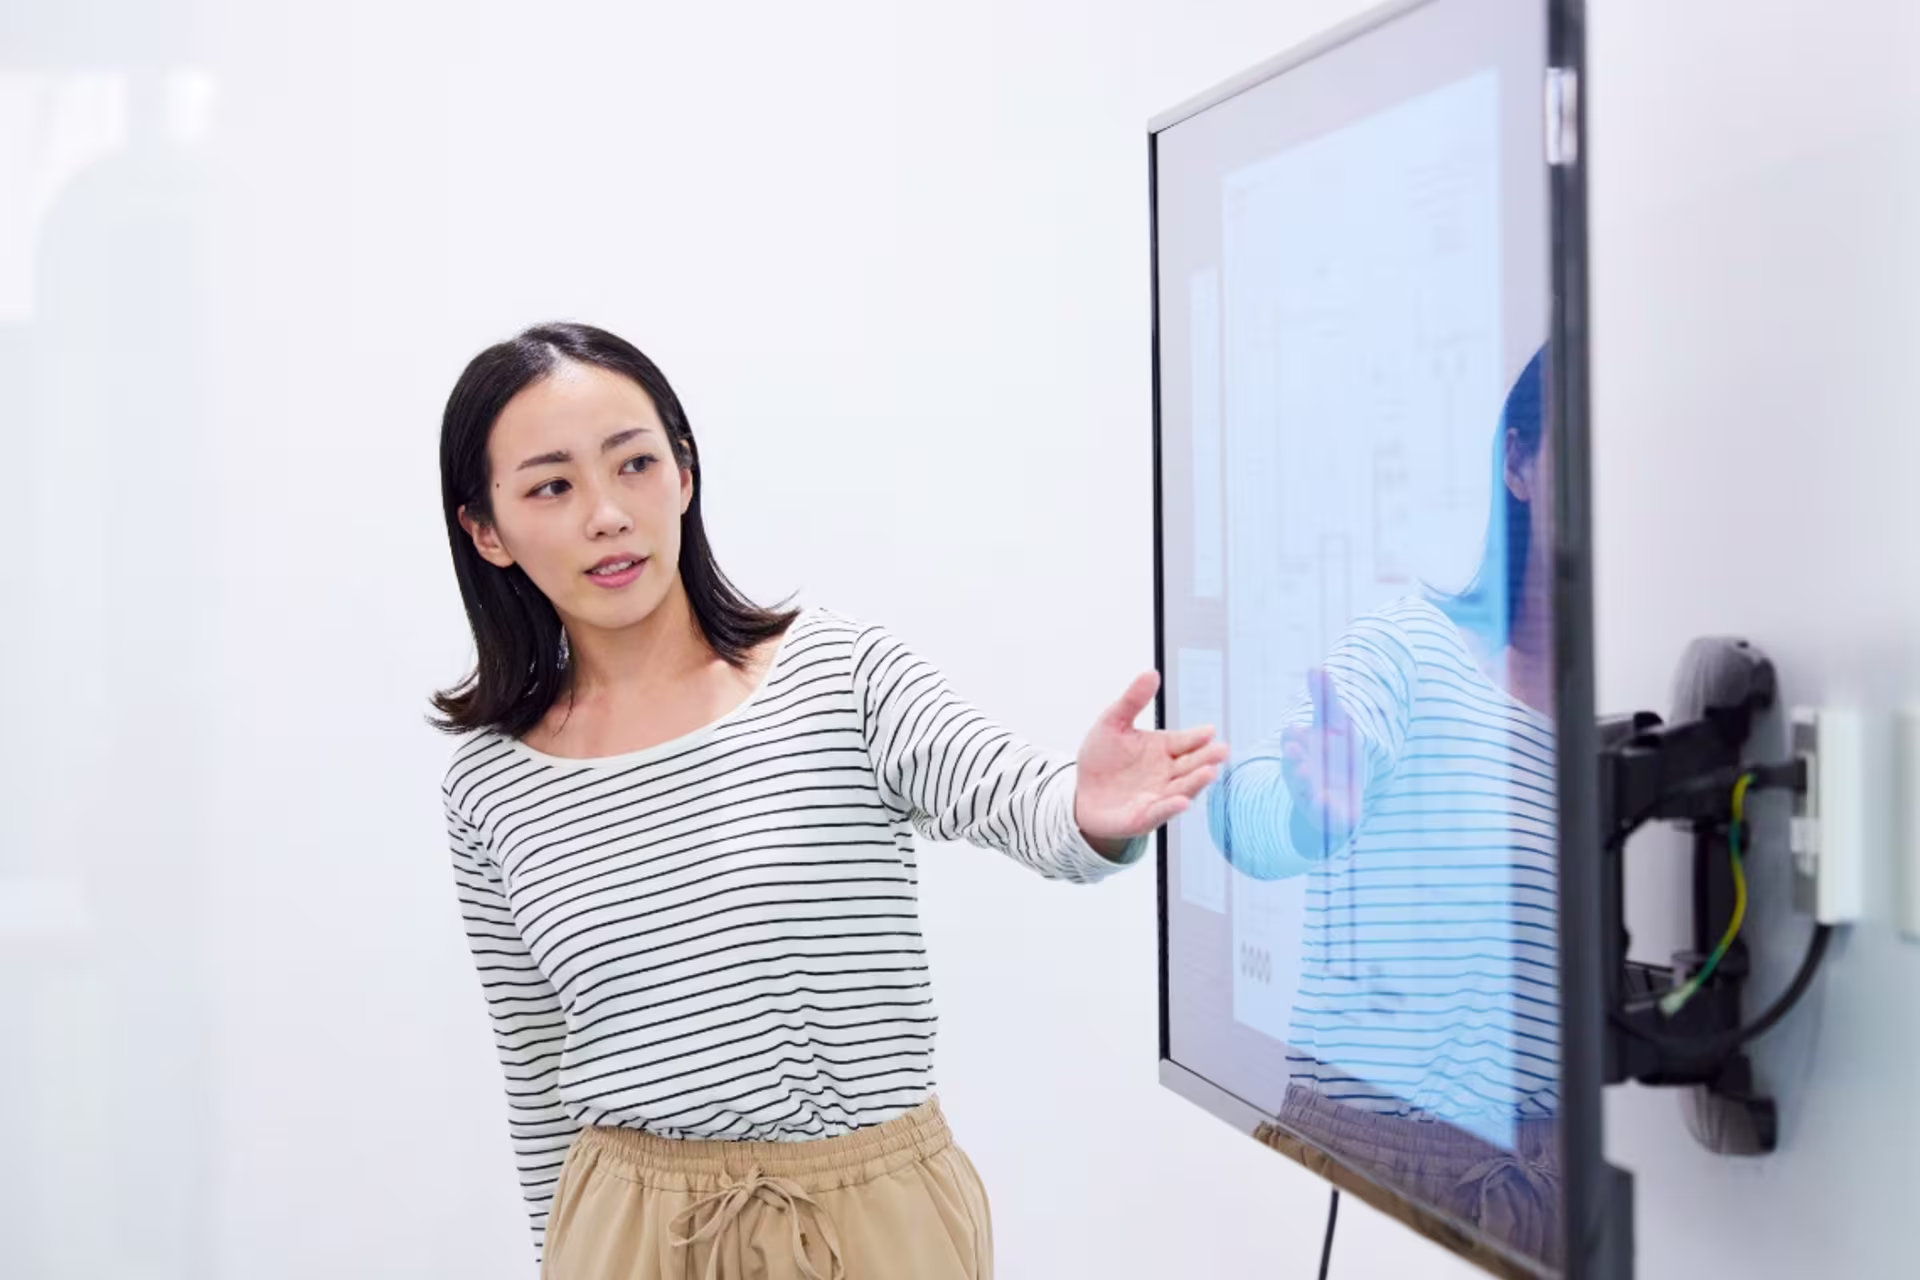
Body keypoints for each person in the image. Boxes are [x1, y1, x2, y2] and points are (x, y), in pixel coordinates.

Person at [432, 322, 1227, 1280]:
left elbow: (1000, 786)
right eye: (552, 486)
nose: (608, 513)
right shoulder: (491, 782)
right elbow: (535, 1063)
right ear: (488, 531)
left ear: (684, 474)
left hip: (869, 1220)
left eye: (634, 463)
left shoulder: (836, 673)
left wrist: (1086, 810)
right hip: (625, 1235)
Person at [1207, 348, 1562, 1265]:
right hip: (1374, 1162)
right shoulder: (1413, 649)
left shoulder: (1630, 713)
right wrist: (1308, 818)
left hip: (1550, 1188)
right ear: (1517, 462)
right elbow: (1238, 811)